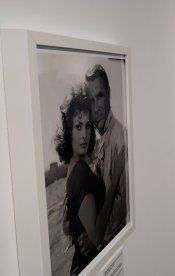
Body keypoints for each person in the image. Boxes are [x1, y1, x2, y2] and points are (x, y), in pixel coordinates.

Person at [56, 85, 122, 275]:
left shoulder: (73, 168)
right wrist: (116, 176)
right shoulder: (81, 173)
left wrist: (75, 228)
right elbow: (96, 235)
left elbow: (71, 221)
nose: (84, 135)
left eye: (87, 126)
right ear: (68, 132)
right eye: (78, 127)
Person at [85, 64, 128, 245]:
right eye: (91, 100)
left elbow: (125, 206)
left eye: (100, 96)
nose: (96, 108)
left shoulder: (120, 138)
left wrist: (96, 238)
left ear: (109, 93)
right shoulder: (102, 138)